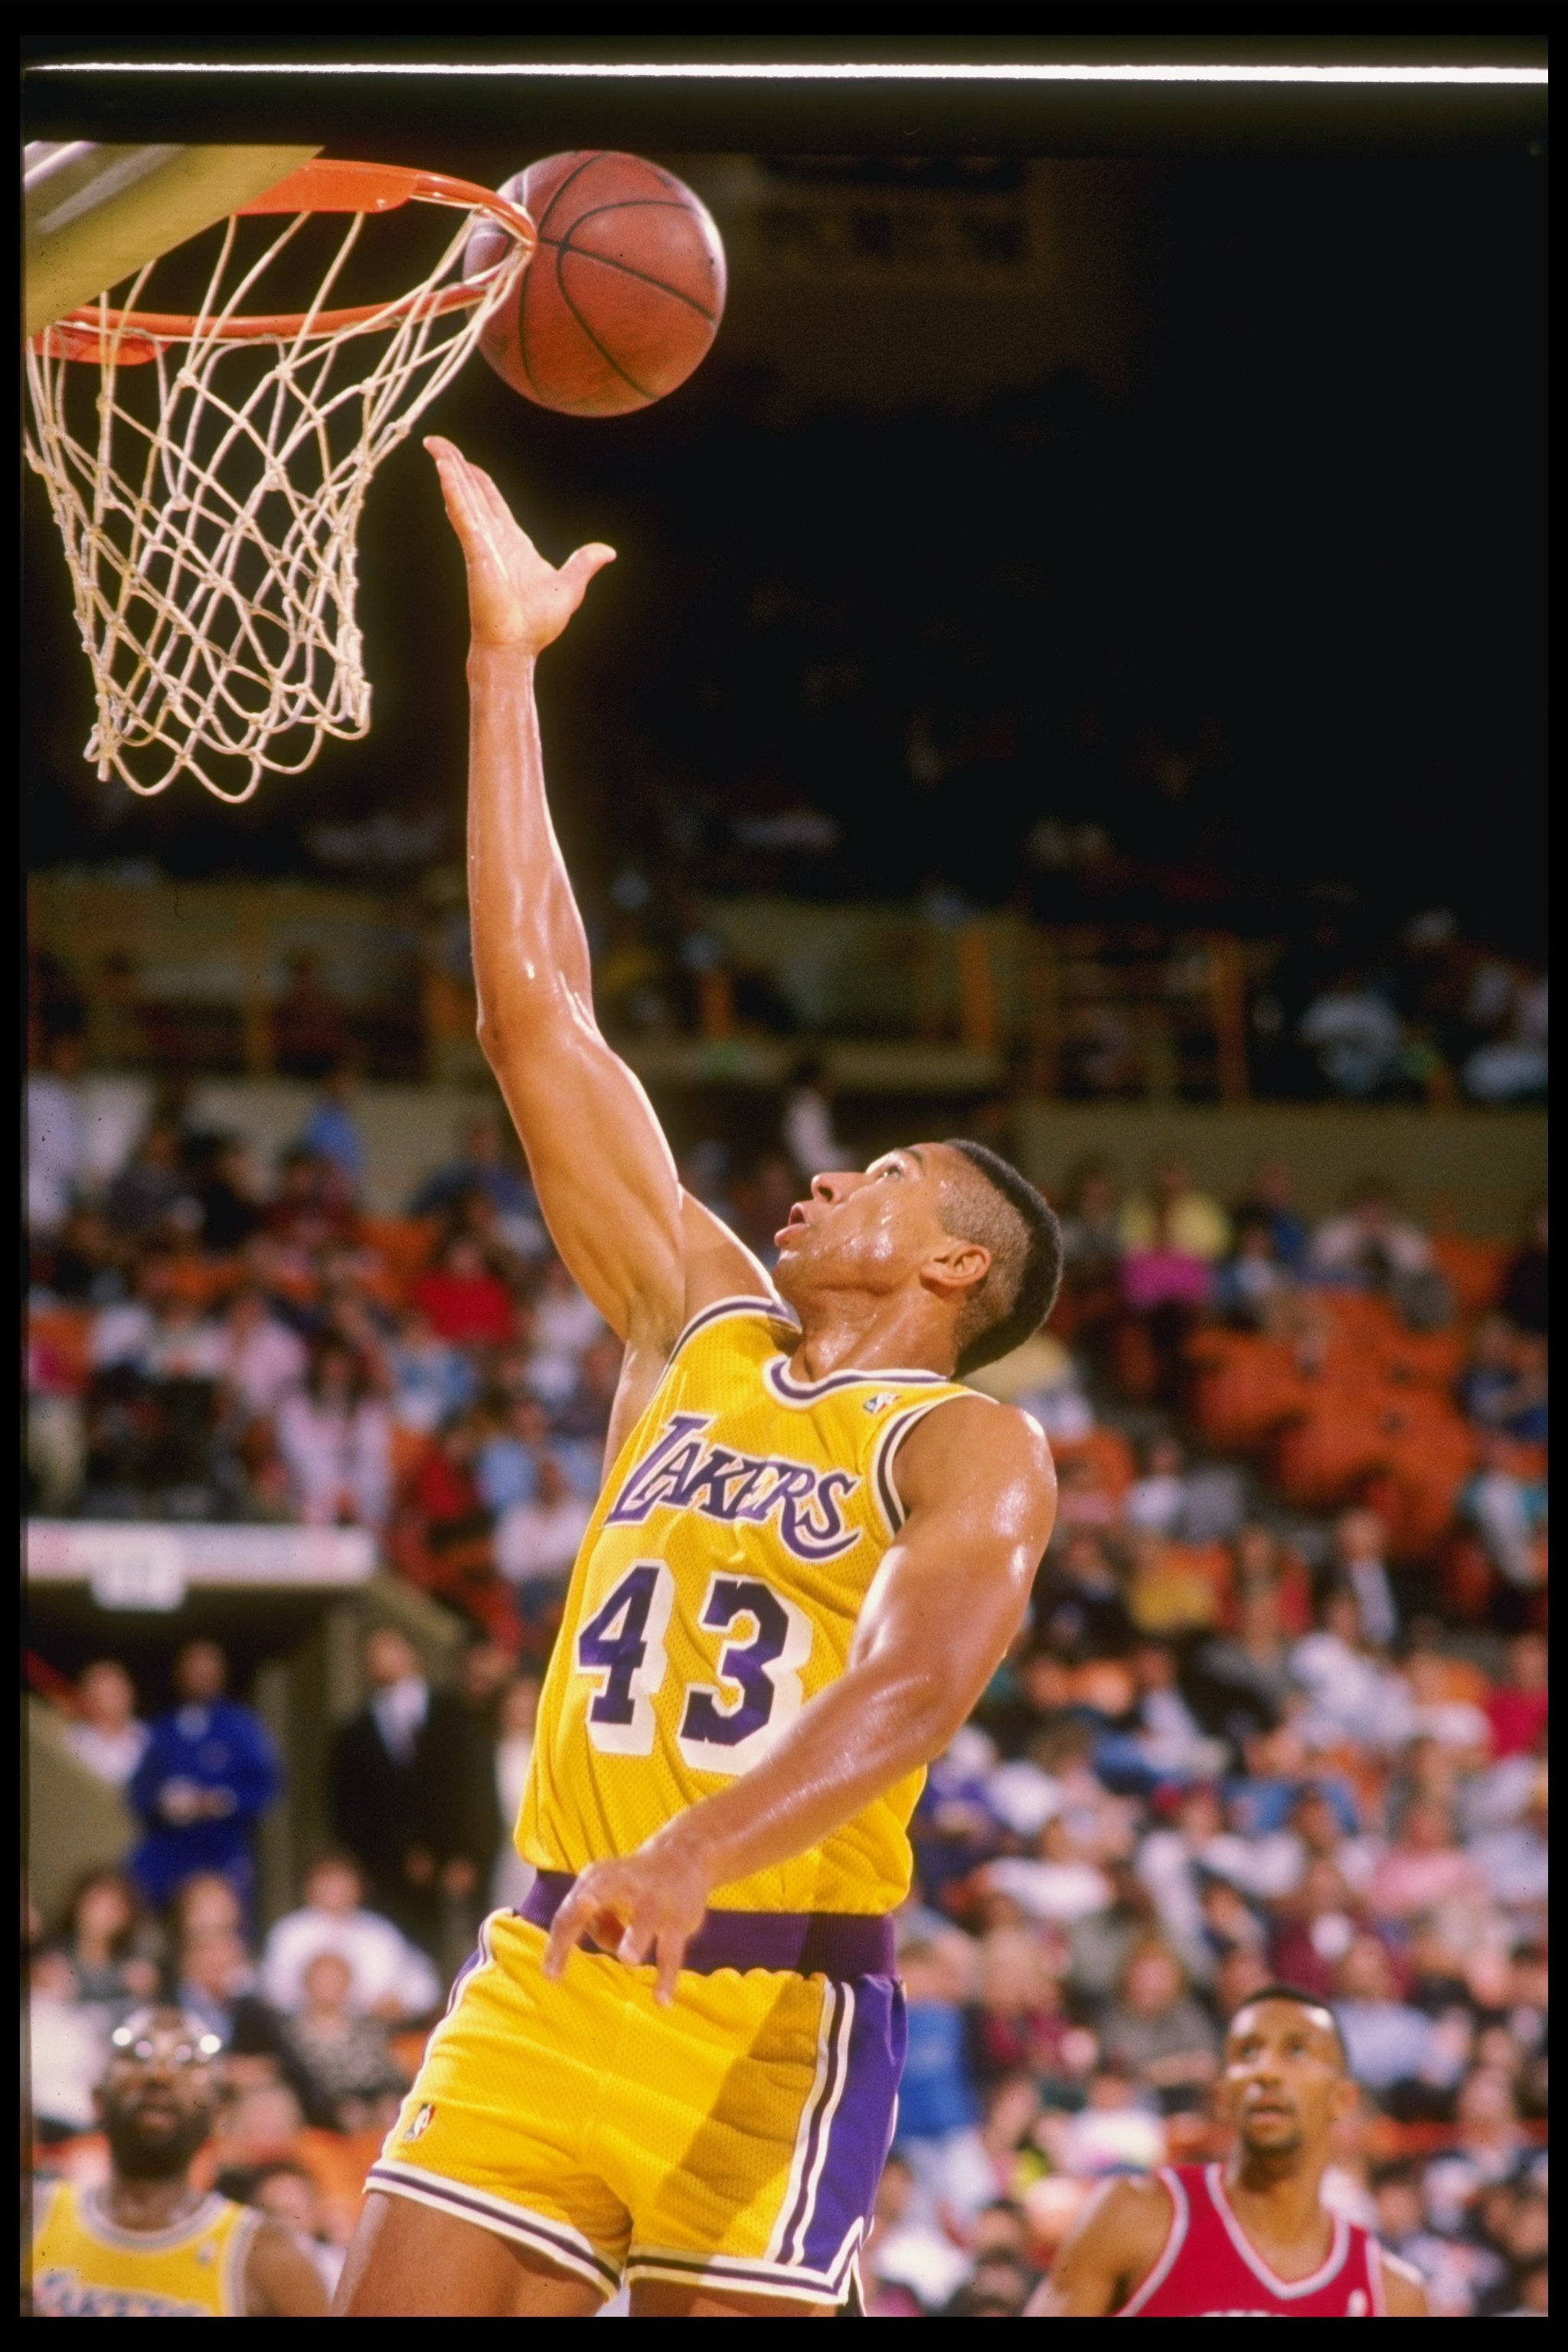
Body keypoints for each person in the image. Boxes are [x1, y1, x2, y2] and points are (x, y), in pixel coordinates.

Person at [335, 442, 1060, 2318]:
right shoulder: (696, 1320)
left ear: (955, 1263)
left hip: (774, 1990)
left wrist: (694, 1845)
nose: (824, 1180)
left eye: (883, 1179)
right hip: (560, 1951)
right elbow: (535, 1014)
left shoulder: (971, 1436)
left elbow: (914, 1679)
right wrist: (502, 671)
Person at [1027, 1984, 1427, 2314]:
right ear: (1222, 2097)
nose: (1266, 2071)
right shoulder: (1134, 2214)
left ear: (1343, 2099)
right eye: (1247, 2052)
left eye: (1296, 2050)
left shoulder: (1391, 2295)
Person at [27, 2004, 328, 2315]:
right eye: (138, 2055)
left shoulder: (267, 2256)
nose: (160, 2074)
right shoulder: (31, 2215)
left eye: (187, 2060)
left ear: (220, 2112)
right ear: (97, 2099)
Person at [328, 1626, 495, 1953]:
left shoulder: (452, 1714)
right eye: (372, 1654)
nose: (381, 1660)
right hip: (390, 1874)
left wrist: (465, 1855)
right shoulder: (355, 1731)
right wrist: (398, 1856)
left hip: (455, 1865)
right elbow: (350, 1806)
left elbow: (472, 1788)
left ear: (410, 1653)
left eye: (389, 1649)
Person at [127, 1642, 280, 1913]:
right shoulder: (163, 1728)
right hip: (169, 1845)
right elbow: (140, 1789)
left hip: (221, 1845)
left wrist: (223, 1800)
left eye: (207, 1672)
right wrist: (165, 1801)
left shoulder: (241, 1726)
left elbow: (266, 1786)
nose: (200, 1678)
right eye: (193, 1672)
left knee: (225, 1914)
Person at [66, 1658, 150, 1790]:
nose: (120, 1698)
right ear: (89, 1700)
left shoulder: (151, 1739)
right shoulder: (74, 1743)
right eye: (109, 1694)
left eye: (121, 1690)